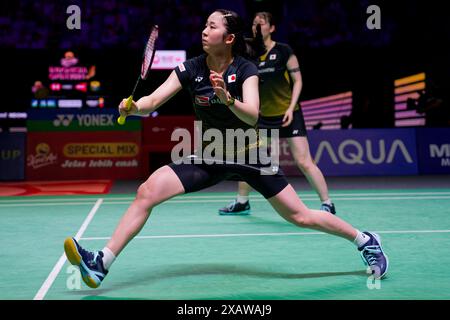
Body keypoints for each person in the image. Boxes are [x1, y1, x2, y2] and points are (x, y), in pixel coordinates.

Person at [63, 9, 388, 289]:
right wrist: (132, 108)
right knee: (148, 191)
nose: (205, 31)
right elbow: (153, 101)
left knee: (300, 216)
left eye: (213, 26)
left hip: (251, 156)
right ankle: (101, 263)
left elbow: (253, 114)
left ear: (229, 38)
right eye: (205, 25)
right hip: (209, 156)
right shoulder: (191, 68)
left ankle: (365, 240)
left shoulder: (246, 69)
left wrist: (227, 98)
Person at [219, 12, 336, 216]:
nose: (257, 27)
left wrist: (291, 107)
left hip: (288, 113)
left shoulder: (283, 51)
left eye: (261, 24)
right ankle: (242, 201)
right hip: (262, 116)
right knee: (251, 159)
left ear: (271, 28)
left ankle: (327, 202)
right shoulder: (249, 53)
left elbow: (298, 80)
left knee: (304, 160)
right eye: (254, 24)